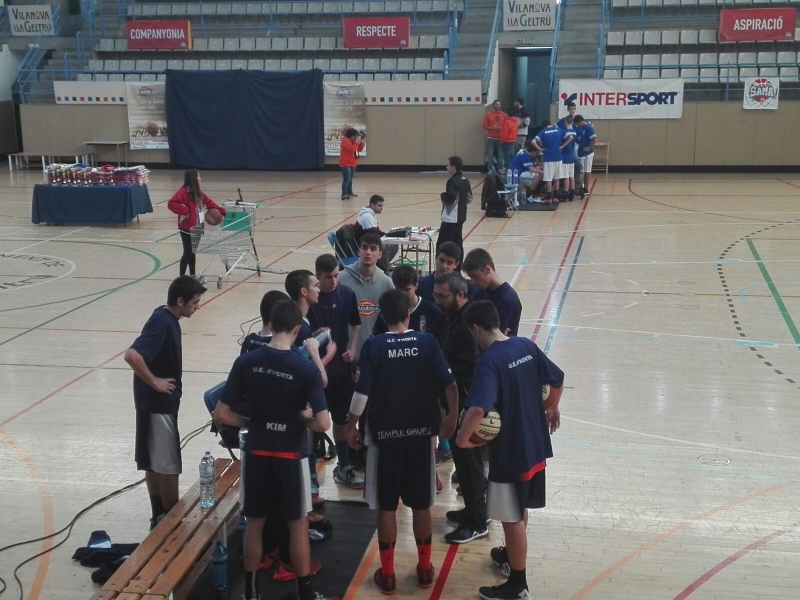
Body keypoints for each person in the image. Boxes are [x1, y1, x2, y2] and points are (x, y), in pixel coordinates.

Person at [213, 300, 336, 600]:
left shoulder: (246, 362)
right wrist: (303, 418)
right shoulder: (305, 368)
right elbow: (323, 423)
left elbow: (221, 414)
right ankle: (305, 594)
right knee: (298, 526)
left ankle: (251, 593)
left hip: (256, 454)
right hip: (290, 456)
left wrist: (253, 422)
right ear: (296, 329)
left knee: (254, 524)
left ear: (271, 324)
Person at [346, 289, 458, 595]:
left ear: (382, 317)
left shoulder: (373, 346)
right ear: (409, 314)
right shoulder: (427, 342)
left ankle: (389, 575)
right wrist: (452, 416)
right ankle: (424, 569)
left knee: (387, 506)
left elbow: (361, 394)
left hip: (385, 440)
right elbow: (450, 383)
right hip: (421, 438)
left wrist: (351, 426)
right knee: (421, 505)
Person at [456, 301, 563, 600]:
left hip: (510, 453)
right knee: (520, 506)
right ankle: (510, 555)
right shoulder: (525, 345)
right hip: (536, 446)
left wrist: (462, 440)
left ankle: (518, 585)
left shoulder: (489, 361)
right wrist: (553, 407)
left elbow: (478, 408)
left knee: (511, 517)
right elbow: (557, 378)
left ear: (476, 329)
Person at [124, 275, 206, 530]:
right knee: (169, 465)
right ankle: (171, 521)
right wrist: (155, 383)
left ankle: (159, 516)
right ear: (180, 301)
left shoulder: (165, 317)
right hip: (158, 405)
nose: (197, 307)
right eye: (194, 302)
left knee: (154, 461)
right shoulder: (162, 323)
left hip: (154, 403)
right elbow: (132, 355)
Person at [428, 272, 487, 544]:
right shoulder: (447, 318)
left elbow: (472, 369)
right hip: (452, 401)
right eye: (435, 295)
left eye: (442, 296)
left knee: (470, 462)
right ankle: (474, 510)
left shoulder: (470, 325)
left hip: (466, 406)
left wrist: (441, 371)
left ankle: (477, 522)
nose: (437, 300)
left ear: (460, 295)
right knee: (463, 464)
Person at [308, 254, 364, 490]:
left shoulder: (347, 294)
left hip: (341, 372)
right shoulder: (310, 299)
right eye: (328, 277)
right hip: (314, 373)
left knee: (341, 421)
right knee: (314, 424)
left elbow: (356, 324)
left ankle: (343, 468)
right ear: (317, 276)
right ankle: (310, 476)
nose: (334, 281)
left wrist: (352, 348)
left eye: (336, 276)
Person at [285, 269, 338, 506]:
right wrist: (327, 355)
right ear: (303, 292)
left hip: (300, 400)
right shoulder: (300, 326)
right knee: (305, 449)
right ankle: (306, 500)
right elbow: (309, 373)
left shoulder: (301, 323)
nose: (319, 289)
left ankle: (309, 494)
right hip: (302, 403)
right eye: (315, 285)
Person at [338, 233, 395, 362]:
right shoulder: (340, 279)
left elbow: (392, 321)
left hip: (374, 356)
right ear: (359, 251)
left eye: (373, 249)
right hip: (344, 355)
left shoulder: (387, 283)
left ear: (380, 254)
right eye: (364, 248)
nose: (368, 252)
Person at [167, 169, 227, 277]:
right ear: (193, 178)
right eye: (198, 176)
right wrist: (185, 211)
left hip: (198, 227)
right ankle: (181, 278)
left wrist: (221, 211)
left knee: (193, 251)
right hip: (187, 228)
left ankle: (192, 275)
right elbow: (171, 203)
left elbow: (209, 202)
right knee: (187, 252)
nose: (200, 178)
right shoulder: (183, 192)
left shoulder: (198, 193)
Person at [463, 248, 522, 336]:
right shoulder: (478, 294)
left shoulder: (508, 300)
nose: (473, 282)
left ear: (487, 269)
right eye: (470, 277)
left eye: (474, 276)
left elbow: (494, 337)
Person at [373, 265, 441, 334]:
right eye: (399, 289)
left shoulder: (432, 311)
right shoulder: (388, 310)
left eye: (407, 290)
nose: (403, 294)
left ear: (416, 286)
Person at [438, 155, 472, 260]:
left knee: (443, 245)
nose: (446, 167)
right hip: (461, 217)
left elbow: (451, 199)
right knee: (458, 244)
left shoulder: (453, 181)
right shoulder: (465, 180)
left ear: (453, 167)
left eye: (448, 165)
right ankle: (457, 266)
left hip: (450, 219)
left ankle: (444, 265)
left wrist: (443, 196)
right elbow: (469, 198)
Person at [355, 194, 397, 269]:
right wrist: (386, 237)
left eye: (382, 206)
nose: (381, 208)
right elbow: (373, 235)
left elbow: (376, 231)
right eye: (379, 206)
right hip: (367, 244)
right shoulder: (367, 216)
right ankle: (379, 266)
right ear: (372, 205)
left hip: (368, 241)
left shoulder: (371, 214)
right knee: (393, 246)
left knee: (390, 243)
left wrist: (387, 234)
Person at [532, 121, 567, 205]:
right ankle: (555, 197)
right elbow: (570, 137)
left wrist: (540, 149)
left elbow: (533, 141)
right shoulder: (558, 130)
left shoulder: (543, 132)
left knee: (548, 178)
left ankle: (548, 198)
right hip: (558, 157)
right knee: (557, 178)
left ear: (544, 127)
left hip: (548, 157)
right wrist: (562, 146)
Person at [339, 126, 365, 201]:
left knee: (350, 179)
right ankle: (344, 194)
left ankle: (349, 191)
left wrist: (361, 143)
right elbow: (352, 149)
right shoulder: (345, 141)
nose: (356, 137)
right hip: (345, 162)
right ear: (352, 136)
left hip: (353, 162)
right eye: (355, 136)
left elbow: (359, 149)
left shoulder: (353, 141)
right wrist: (357, 142)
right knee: (346, 179)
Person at [574, 115, 597, 199]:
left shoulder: (588, 128)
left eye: (577, 124)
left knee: (587, 171)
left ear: (580, 122)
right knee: (582, 171)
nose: (577, 125)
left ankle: (586, 189)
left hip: (587, 154)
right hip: (581, 153)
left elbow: (594, 139)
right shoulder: (582, 128)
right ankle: (582, 187)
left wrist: (589, 148)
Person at [482, 99, 507, 173]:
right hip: (491, 138)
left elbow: (506, 126)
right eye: (496, 104)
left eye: (499, 104)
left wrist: (502, 129)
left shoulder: (504, 115)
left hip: (500, 138)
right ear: (493, 105)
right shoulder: (488, 114)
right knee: (490, 154)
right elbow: (484, 125)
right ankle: (490, 169)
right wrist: (493, 128)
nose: (498, 106)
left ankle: (500, 169)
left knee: (500, 154)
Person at [559, 116, 578, 202]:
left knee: (566, 177)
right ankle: (572, 193)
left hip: (565, 156)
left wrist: (562, 146)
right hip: (572, 156)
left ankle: (565, 193)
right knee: (571, 176)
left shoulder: (565, 132)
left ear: (565, 122)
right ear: (572, 123)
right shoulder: (574, 132)